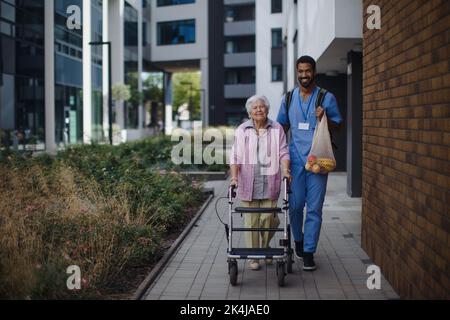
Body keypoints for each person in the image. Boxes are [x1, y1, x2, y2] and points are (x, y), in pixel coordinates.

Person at [277, 56, 343, 271]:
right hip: (295, 162)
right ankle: (298, 242)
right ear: (297, 73)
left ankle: (309, 251)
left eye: (308, 71)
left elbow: (338, 127)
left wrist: (325, 118)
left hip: (319, 162)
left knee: (314, 209)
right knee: (295, 207)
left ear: (314, 72)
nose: (304, 75)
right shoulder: (287, 98)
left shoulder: (326, 97)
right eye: (300, 71)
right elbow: (280, 128)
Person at [230, 95, 291, 271]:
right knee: (251, 222)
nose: (258, 110)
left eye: (261, 107)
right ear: (250, 111)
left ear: (267, 109)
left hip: (270, 183)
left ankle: (264, 248)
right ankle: (255, 256)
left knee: (270, 219)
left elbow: (283, 152)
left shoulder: (276, 128)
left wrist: (286, 171)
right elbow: (235, 156)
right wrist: (234, 178)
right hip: (248, 183)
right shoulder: (243, 129)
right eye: (255, 107)